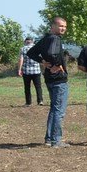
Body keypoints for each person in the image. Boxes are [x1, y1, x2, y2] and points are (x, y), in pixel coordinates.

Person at [26, 17, 70, 147]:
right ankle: (56, 140)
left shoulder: (45, 38)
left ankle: (49, 138)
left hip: (49, 79)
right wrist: (56, 65)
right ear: (53, 26)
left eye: (65, 27)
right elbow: (52, 53)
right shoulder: (55, 38)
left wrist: (43, 62)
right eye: (61, 26)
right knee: (59, 111)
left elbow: (31, 52)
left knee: (54, 109)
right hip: (58, 79)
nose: (63, 29)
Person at [17, 37, 44, 106]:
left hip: (26, 71)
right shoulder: (37, 48)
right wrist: (44, 68)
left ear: (25, 41)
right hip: (36, 71)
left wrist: (19, 69)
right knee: (38, 87)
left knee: (27, 87)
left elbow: (21, 60)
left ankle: (28, 102)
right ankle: (40, 101)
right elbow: (41, 59)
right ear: (32, 41)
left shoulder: (23, 49)